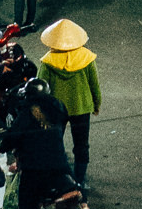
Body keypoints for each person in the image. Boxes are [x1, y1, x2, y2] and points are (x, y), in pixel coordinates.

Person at [0, 75, 74, 209]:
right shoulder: (58, 107)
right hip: (60, 163)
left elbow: (11, 139)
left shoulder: (26, 115)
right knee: (72, 188)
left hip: (34, 170)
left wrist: (0, 146)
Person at [35, 17, 102, 188]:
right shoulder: (86, 58)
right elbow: (94, 84)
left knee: (55, 143)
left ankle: (57, 177)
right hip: (81, 107)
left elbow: (41, 85)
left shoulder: (48, 62)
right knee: (81, 145)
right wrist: (96, 104)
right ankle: (80, 179)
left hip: (57, 110)